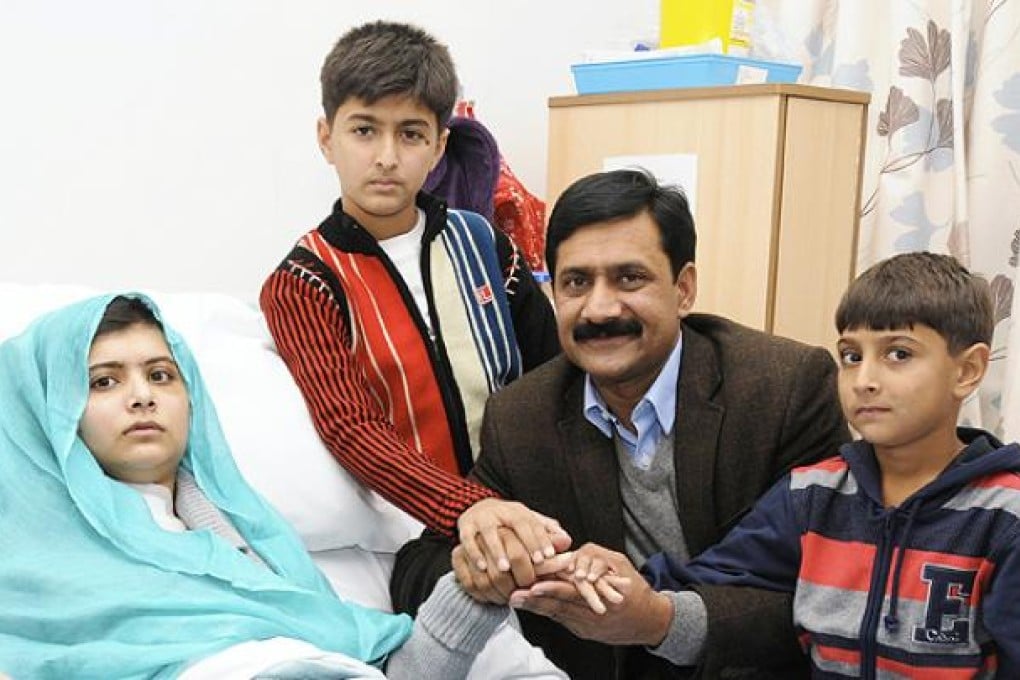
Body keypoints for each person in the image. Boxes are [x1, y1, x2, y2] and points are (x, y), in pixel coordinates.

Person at [391, 168, 852, 678]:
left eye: (629, 278)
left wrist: (659, 621)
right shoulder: (523, 416)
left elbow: (832, 600)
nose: (600, 308)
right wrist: (482, 562)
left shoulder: (784, 389)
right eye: (576, 282)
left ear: (683, 288)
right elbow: (415, 569)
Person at [0, 294, 559, 680]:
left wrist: (474, 594)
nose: (142, 396)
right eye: (104, 381)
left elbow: (394, 669)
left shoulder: (260, 553)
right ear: (54, 414)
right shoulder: (34, 576)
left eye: (161, 374)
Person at [623, 252, 1020, 677]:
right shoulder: (813, 494)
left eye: (899, 354)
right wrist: (619, 586)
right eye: (851, 356)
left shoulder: (1004, 513)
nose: (864, 379)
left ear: (968, 370)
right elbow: (712, 577)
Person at [259, 20, 562, 566]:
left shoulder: (486, 245)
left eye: (411, 134)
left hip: (535, 516)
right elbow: (349, 427)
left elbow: (554, 374)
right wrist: (467, 509)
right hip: (419, 540)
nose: (387, 156)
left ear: (439, 146)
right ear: (326, 138)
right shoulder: (303, 282)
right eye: (364, 130)